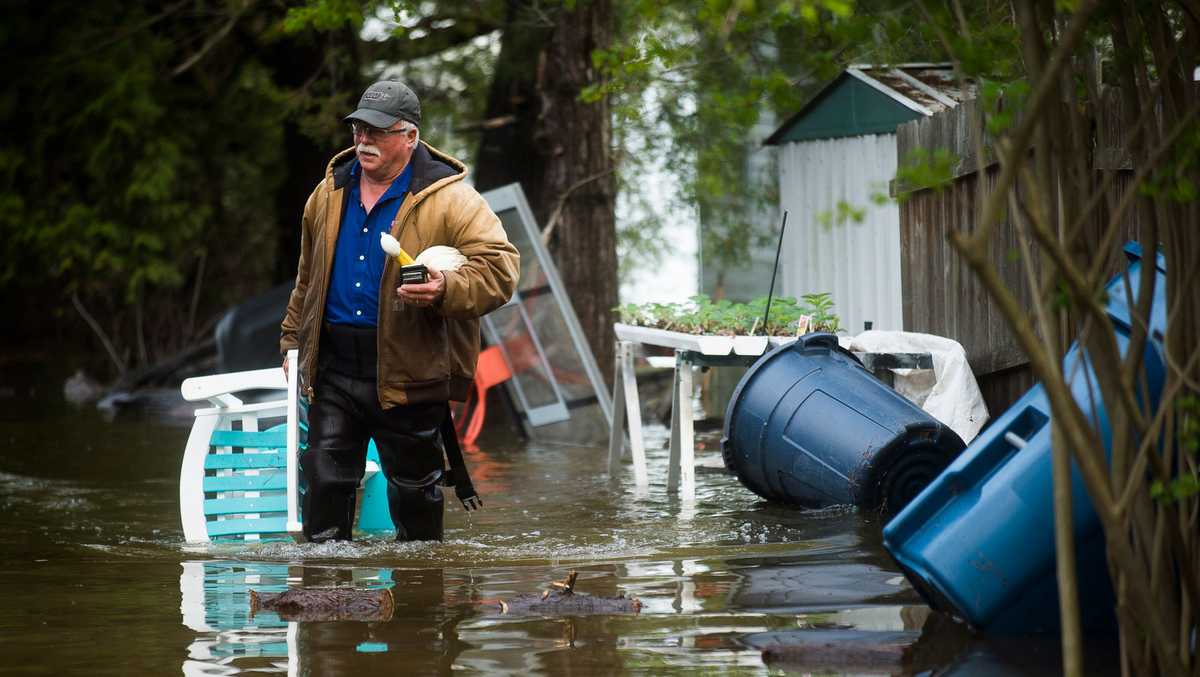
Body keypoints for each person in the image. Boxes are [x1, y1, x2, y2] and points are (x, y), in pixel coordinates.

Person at [280, 80, 519, 543]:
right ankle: (325, 602)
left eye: (376, 131)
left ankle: (420, 602)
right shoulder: (326, 194)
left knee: (414, 492)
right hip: (334, 365)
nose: (362, 141)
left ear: (409, 136)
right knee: (325, 481)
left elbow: (501, 269)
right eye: (357, 129)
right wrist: (292, 341)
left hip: (412, 368)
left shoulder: (453, 199)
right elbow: (307, 281)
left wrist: (444, 287)